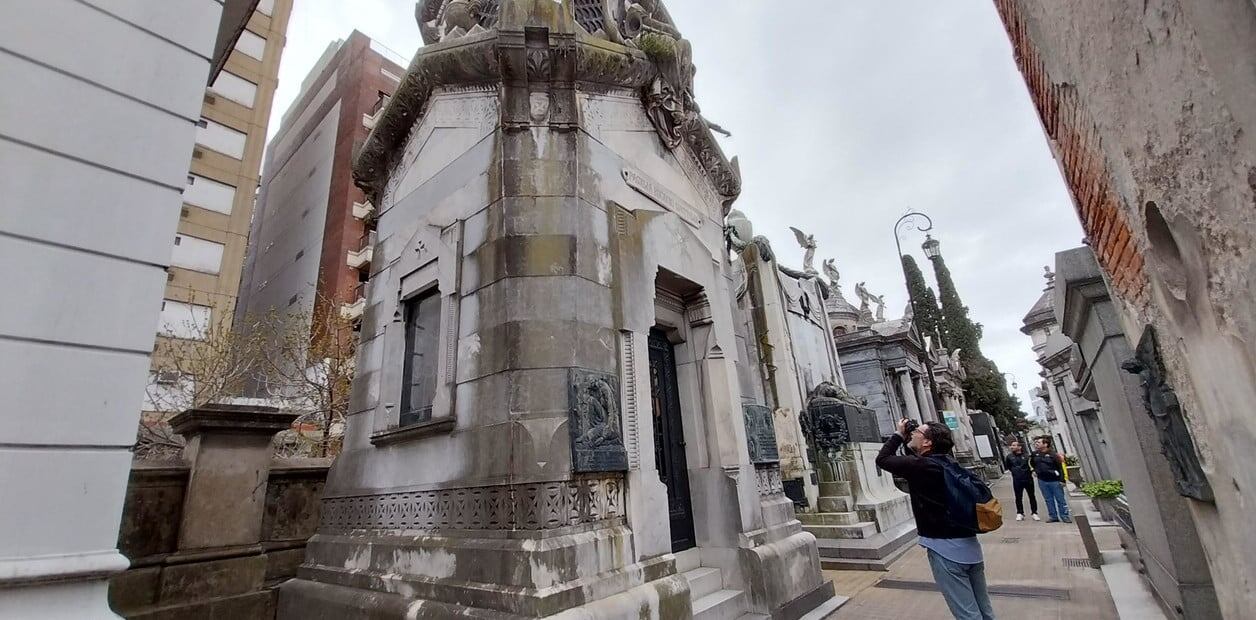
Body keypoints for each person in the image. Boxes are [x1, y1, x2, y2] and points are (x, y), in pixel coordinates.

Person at [877, 419, 996, 620]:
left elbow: (883, 459)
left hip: (946, 550)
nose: (913, 433)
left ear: (927, 443)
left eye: (918, 432)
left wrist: (898, 435)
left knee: (967, 614)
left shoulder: (922, 467)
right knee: (984, 609)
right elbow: (913, 463)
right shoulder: (949, 464)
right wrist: (908, 439)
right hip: (970, 547)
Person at [1031, 436, 1071, 523]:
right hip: (1042, 480)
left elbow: (1060, 467)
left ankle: (1065, 516)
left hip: (1055, 481)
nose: (1036, 444)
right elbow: (1032, 463)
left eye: (1039, 442)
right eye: (1036, 443)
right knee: (1048, 499)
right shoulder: (1035, 454)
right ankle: (1053, 516)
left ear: (1045, 444)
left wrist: (1062, 480)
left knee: (1060, 499)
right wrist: (1034, 470)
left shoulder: (1054, 455)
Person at [1003, 440, 1039, 522]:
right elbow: (1008, 466)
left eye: (1014, 445)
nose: (1012, 447)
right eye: (1012, 445)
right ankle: (1020, 512)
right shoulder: (1009, 457)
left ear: (1019, 447)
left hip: (1028, 479)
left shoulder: (1027, 456)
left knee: (1032, 496)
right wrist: (1015, 471)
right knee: (1018, 497)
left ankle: (1034, 512)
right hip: (1017, 479)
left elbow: (1032, 466)